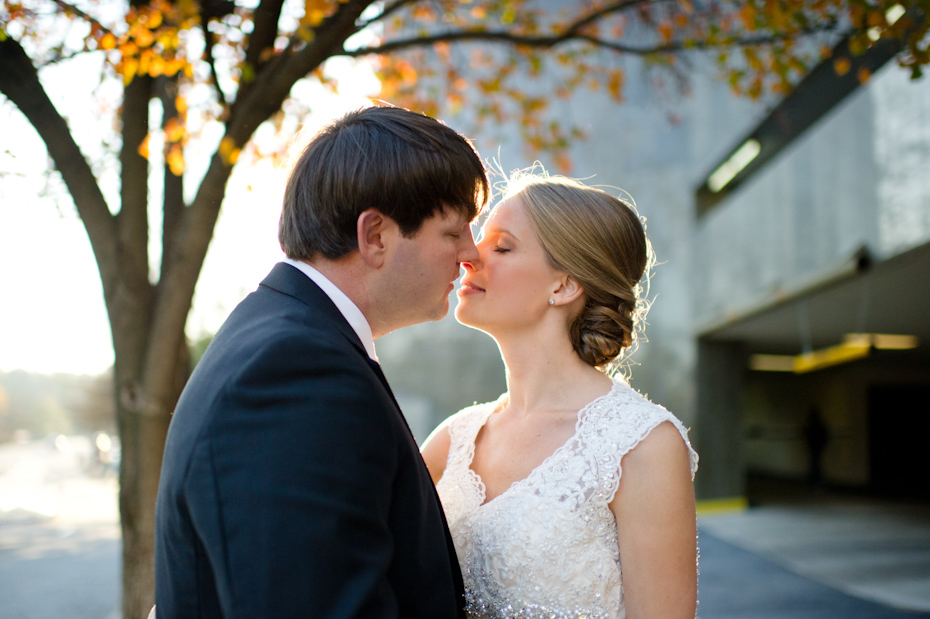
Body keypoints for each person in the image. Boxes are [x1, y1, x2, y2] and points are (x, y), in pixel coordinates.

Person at [153, 106, 489, 618]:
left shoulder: (288, 341)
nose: (471, 254)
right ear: (375, 236)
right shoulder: (294, 374)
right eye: (453, 232)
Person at [422, 171, 699, 618]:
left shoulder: (640, 445)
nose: (469, 256)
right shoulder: (452, 440)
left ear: (564, 286)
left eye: (502, 247)